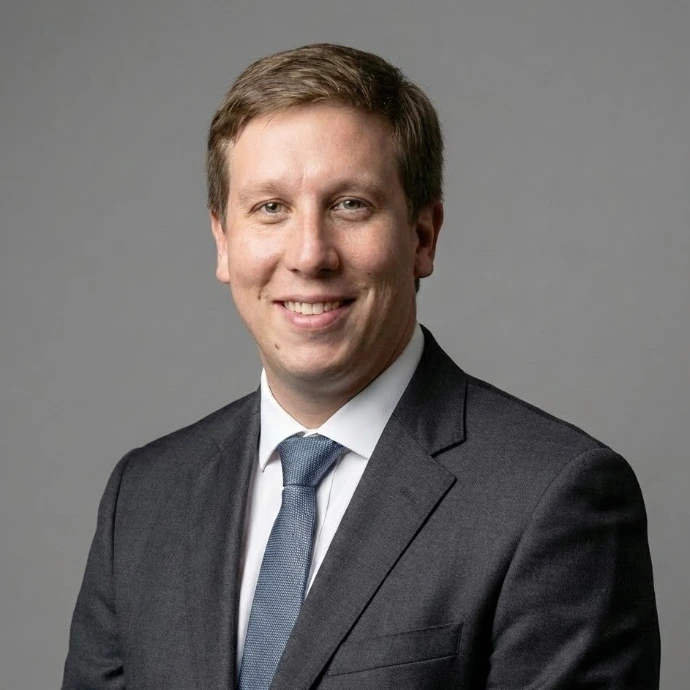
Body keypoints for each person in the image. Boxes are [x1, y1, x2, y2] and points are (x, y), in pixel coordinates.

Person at [62, 43, 660, 690]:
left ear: (423, 237)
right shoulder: (144, 497)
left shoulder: (551, 497)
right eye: (270, 208)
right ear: (223, 242)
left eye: (350, 204)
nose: (309, 255)